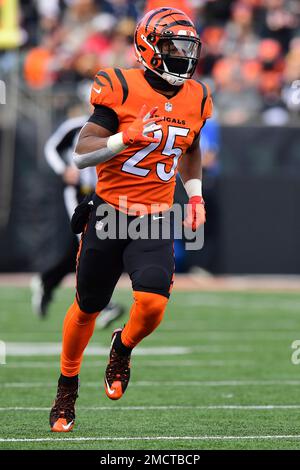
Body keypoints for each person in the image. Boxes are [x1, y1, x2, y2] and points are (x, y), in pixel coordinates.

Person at [49, 7, 213, 432]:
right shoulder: (119, 85)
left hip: (155, 214)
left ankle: (121, 348)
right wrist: (125, 137)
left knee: (154, 305)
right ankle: (67, 386)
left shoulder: (197, 96)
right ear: (147, 46)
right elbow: (82, 153)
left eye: (186, 48)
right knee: (87, 307)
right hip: (108, 211)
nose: (181, 56)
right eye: (172, 47)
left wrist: (194, 195)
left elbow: (190, 146)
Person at [31, 115, 124, 329]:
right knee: (91, 243)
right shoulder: (76, 125)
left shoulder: (120, 123)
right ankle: (104, 304)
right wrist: (63, 169)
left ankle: (47, 281)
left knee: (87, 247)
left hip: (106, 193)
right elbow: (52, 147)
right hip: (80, 193)